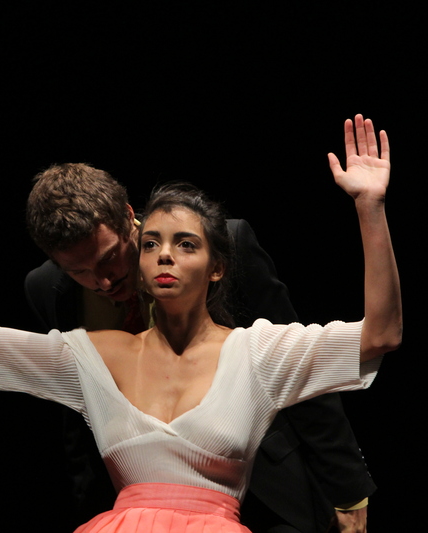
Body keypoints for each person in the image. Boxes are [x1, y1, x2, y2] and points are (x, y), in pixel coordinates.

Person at [0, 115, 402, 532]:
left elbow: (379, 334)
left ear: (217, 267)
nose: (105, 280)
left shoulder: (258, 350)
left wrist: (370, 207)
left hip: (259, 500)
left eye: (185, 244)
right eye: (153, 245)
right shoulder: (91, 353)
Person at [24, 170, 374, 530]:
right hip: (134, 504)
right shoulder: (47, 289)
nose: (103, 280)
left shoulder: (223, 244)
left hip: (262, 487)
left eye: (109, 257)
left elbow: (303, 370)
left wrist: (348, 489)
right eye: (78, 271)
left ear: (129, 218)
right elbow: (73, 414)